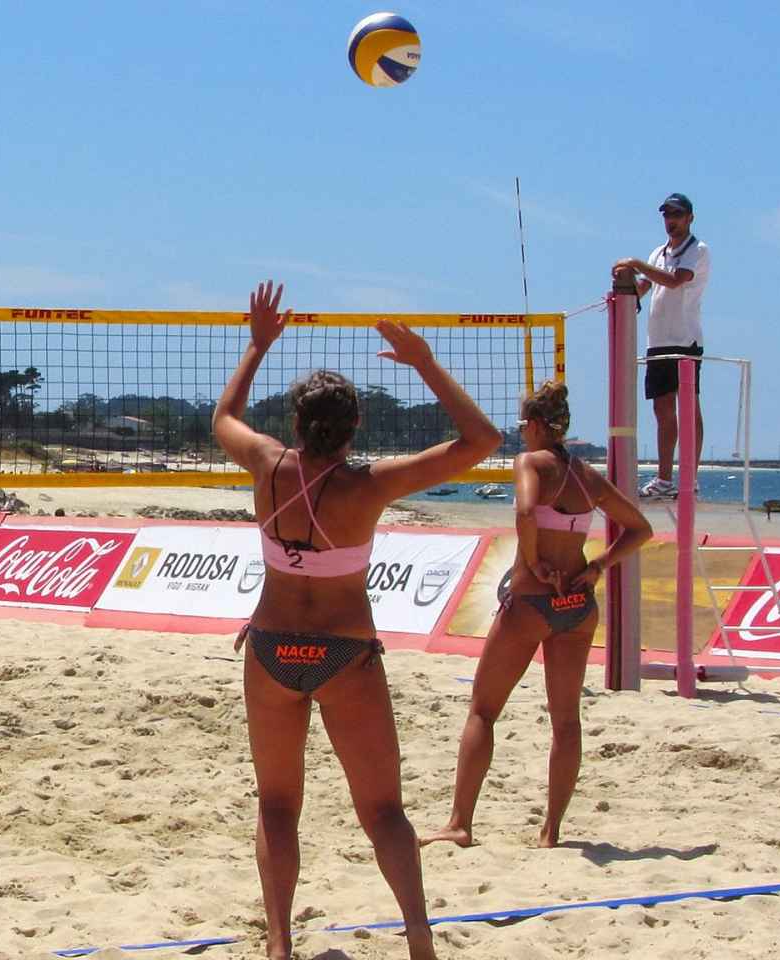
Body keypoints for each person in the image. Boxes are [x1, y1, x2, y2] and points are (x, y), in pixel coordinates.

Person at [213, 281, 501, 960]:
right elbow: (482, 438)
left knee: (278, 806)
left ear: (295, 423)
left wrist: (256, 347)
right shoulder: (372, 485)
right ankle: (420, 939)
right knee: (384, 813)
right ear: (356, 426)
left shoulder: (266, 463)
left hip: (274, 650)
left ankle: (280, 946)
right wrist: (426, 364)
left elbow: (224, 414)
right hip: (344, 655)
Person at [422, 382, 652, 850]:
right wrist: (597, 567)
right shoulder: (588, 476)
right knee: (566, 721)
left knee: (483, 712)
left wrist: (533, 562)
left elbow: (527, 512)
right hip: (576, 605)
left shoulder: (530, 463)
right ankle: (551, 831)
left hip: (533, 601)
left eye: (523, 424)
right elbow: (639, 529)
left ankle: (460, 823)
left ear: (537, 425)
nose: (520, 432)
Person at [613, 192, 710, 498]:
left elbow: (674, 280)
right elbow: (645, 286)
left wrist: (636, 263)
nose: (672, 222)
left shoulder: (698, 250)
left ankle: (689, 479)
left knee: (689, 407)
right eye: (668, 216)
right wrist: (622, 288)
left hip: (685, 339)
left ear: (689, 218)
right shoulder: (658, 253)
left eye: (677, 215)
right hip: (657, 340)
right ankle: (665, 479)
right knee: (662, 410)